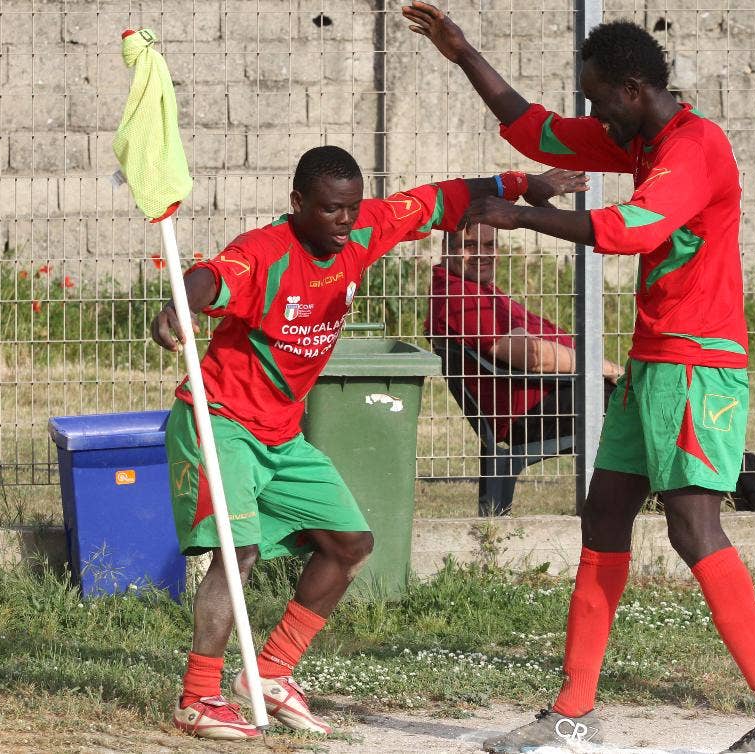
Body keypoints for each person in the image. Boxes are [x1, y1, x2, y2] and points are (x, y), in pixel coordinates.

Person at [402, 5, 755, 753]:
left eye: (599, 99)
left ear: (632, 88)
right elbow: (539, 131)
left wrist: (524, 218)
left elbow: (635, 230)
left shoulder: (694, 148)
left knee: (695, 531)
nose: (592, 114)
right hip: (655, 364)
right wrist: (462, 53)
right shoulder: (641, 133)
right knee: (603, 520)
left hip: (697, 367)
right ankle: (573, 710)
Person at [150, 145, 578, 740]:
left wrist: (524, 181)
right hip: (220, 422)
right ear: (298, 203)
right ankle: (198, 697)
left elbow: (439, 200)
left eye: (352, 209)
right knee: (238, 552)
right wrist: (179, 302)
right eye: (330, 211)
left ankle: (268, 674)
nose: (345, 223)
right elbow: (213, 276)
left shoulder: (360, 231)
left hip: (281, 433)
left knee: (350, 544)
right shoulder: (265, 253)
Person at [429, 222, 755, 515]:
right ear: (446, 250)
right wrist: (602, 368)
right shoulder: (458, 294)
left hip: (551, 396)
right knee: (662, 415)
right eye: (468, 245)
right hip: (538, 408)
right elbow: (532, 356)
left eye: (488, 243)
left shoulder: (473, 289)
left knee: (665, 413)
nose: (482, 253)